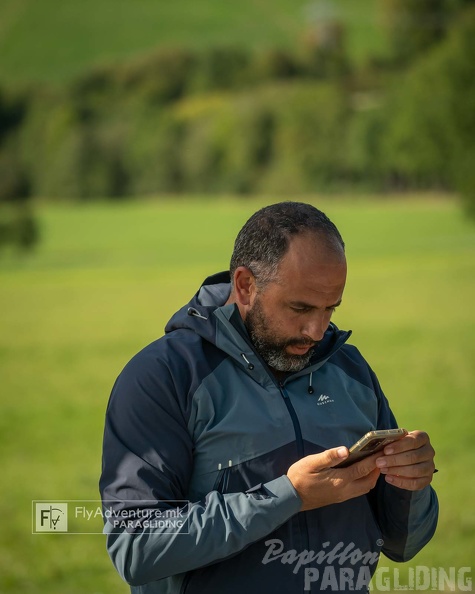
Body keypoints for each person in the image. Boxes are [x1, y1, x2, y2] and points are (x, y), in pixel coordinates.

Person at [100, 201, 438, 593]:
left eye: (331, 308)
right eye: (301, 308)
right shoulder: (162, 377)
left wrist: (411, 486)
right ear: (245, 285)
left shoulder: (350, 370)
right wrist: (287, 496)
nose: (317, 330)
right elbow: (137, 547)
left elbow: (404, 544)